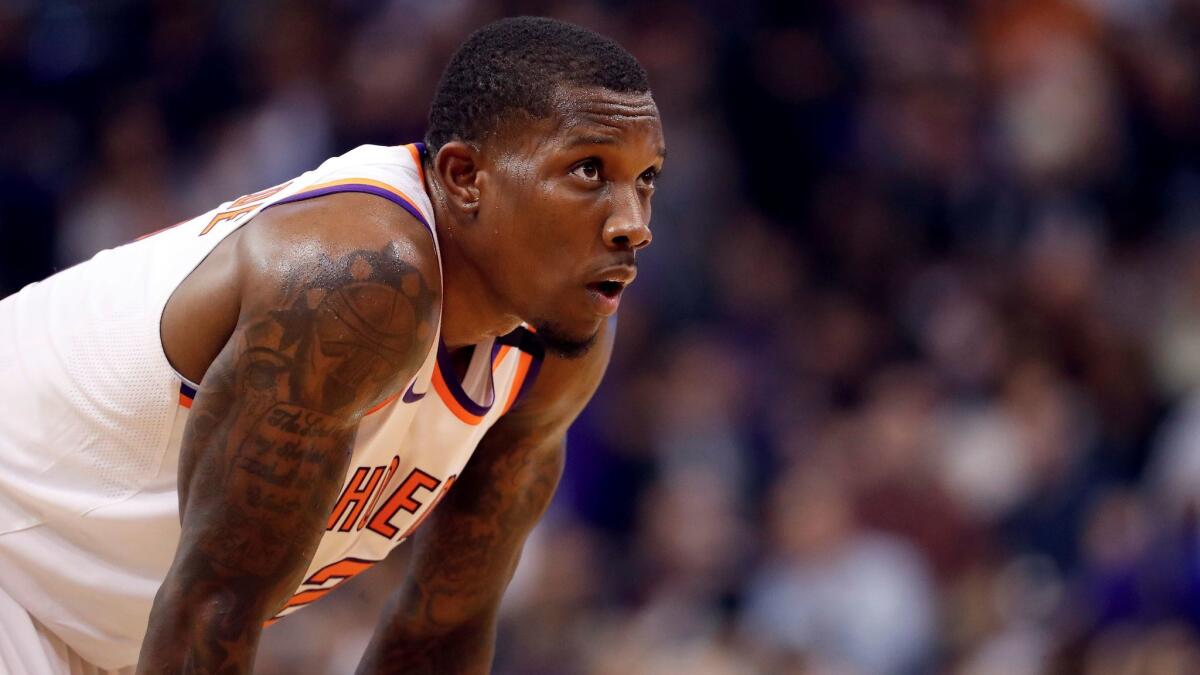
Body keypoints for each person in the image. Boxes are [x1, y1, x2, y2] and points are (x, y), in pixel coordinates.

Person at [0, 16, 665, 674]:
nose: (633, 225)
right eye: (587, 171)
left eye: (646, 179)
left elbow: (437, 633)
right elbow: (214, 607)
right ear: (465, 178)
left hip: (100, 628)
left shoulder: (556, 344)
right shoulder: (360, 278)